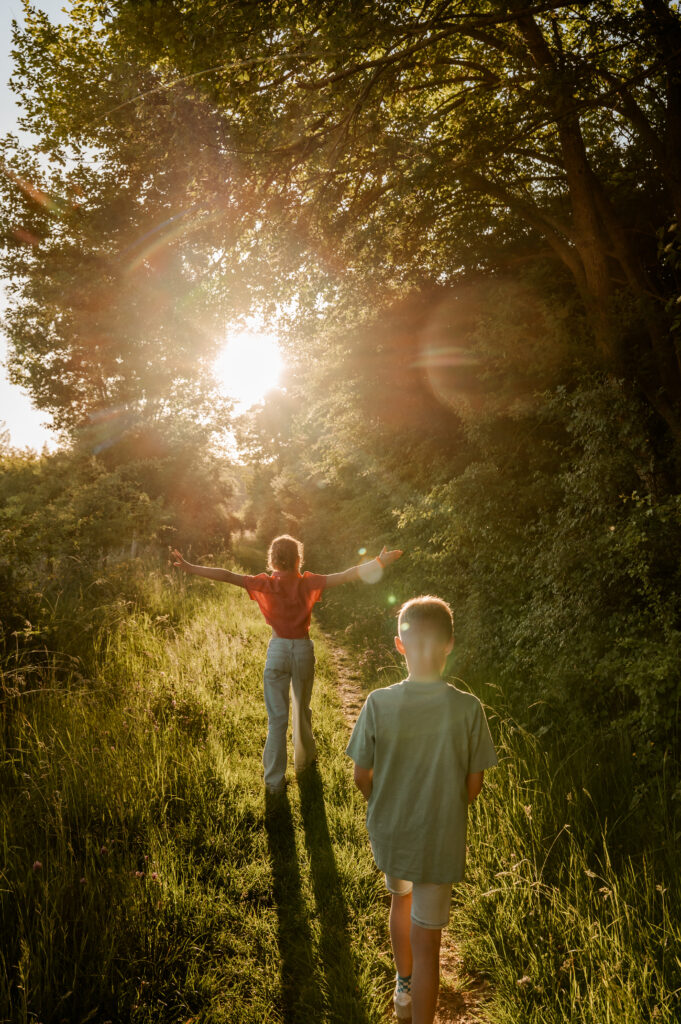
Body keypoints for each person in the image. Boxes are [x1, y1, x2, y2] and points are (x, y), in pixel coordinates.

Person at [346, 595, 497, 1024]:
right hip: (440, 836)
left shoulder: (378, 702)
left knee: (400, 898)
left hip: (394, 830)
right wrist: (442, 806)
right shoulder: (469, 708)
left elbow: (361, 776)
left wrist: (388, 802)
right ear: (450, 644)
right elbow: (474, 786)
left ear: (399, 645)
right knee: (429, 941)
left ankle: (403, 985)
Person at [172, 534, 402, 794]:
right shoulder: (308, 582)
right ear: (298, 559)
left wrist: (191, 567)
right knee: (302, 713)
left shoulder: (264, 584)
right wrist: (379, 563)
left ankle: (273, 783)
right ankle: (304, 767)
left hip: (278, 651)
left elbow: (226, 575)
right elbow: (347, 574)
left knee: (276, 722)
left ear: (272, 560)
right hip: (303, 650)